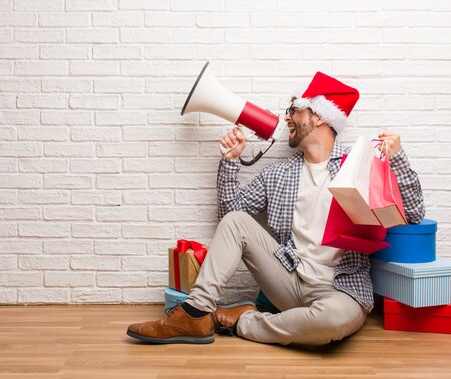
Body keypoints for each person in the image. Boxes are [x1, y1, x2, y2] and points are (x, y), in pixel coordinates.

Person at [126, 72, 425, 345]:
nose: (287, 118)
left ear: (319, 116)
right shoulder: (280, 174)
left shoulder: (358, 165)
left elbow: (413, 215)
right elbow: (231, 217)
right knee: (236, 221)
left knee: (330, 323)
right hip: (289, 281)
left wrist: (396, 160)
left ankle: (242, 320)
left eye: (294, 109)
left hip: (340, 290)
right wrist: (230, 162)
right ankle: (194, 312)